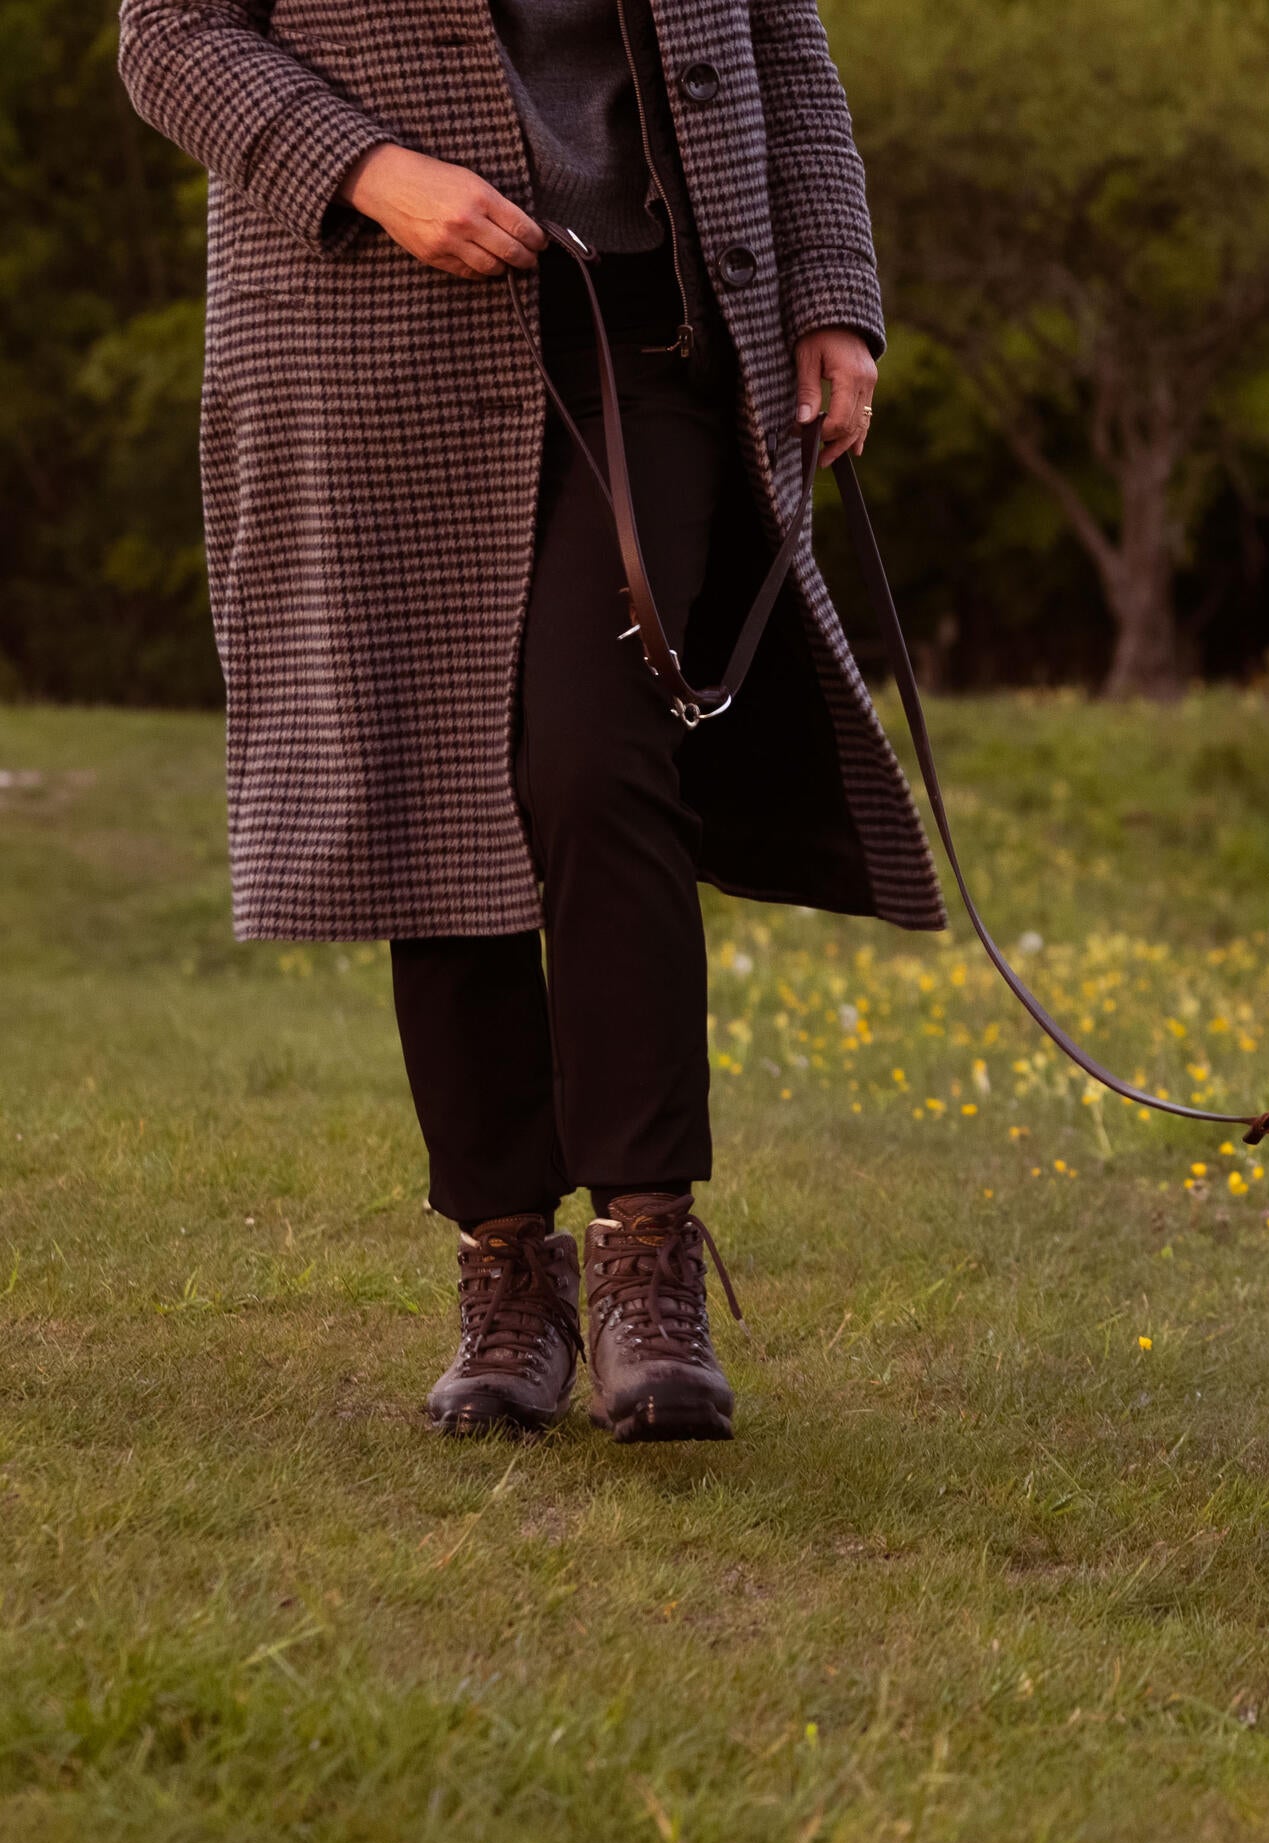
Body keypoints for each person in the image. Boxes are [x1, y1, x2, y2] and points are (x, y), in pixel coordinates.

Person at [117, 1, 945, 1443]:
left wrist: (832, 292)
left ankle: (647, 1257)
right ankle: (505, 1267)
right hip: (374, 320)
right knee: (438, 770)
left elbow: (780, 37)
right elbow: (169, 31)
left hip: (663, 326)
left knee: (592, 752)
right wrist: (368, 167)